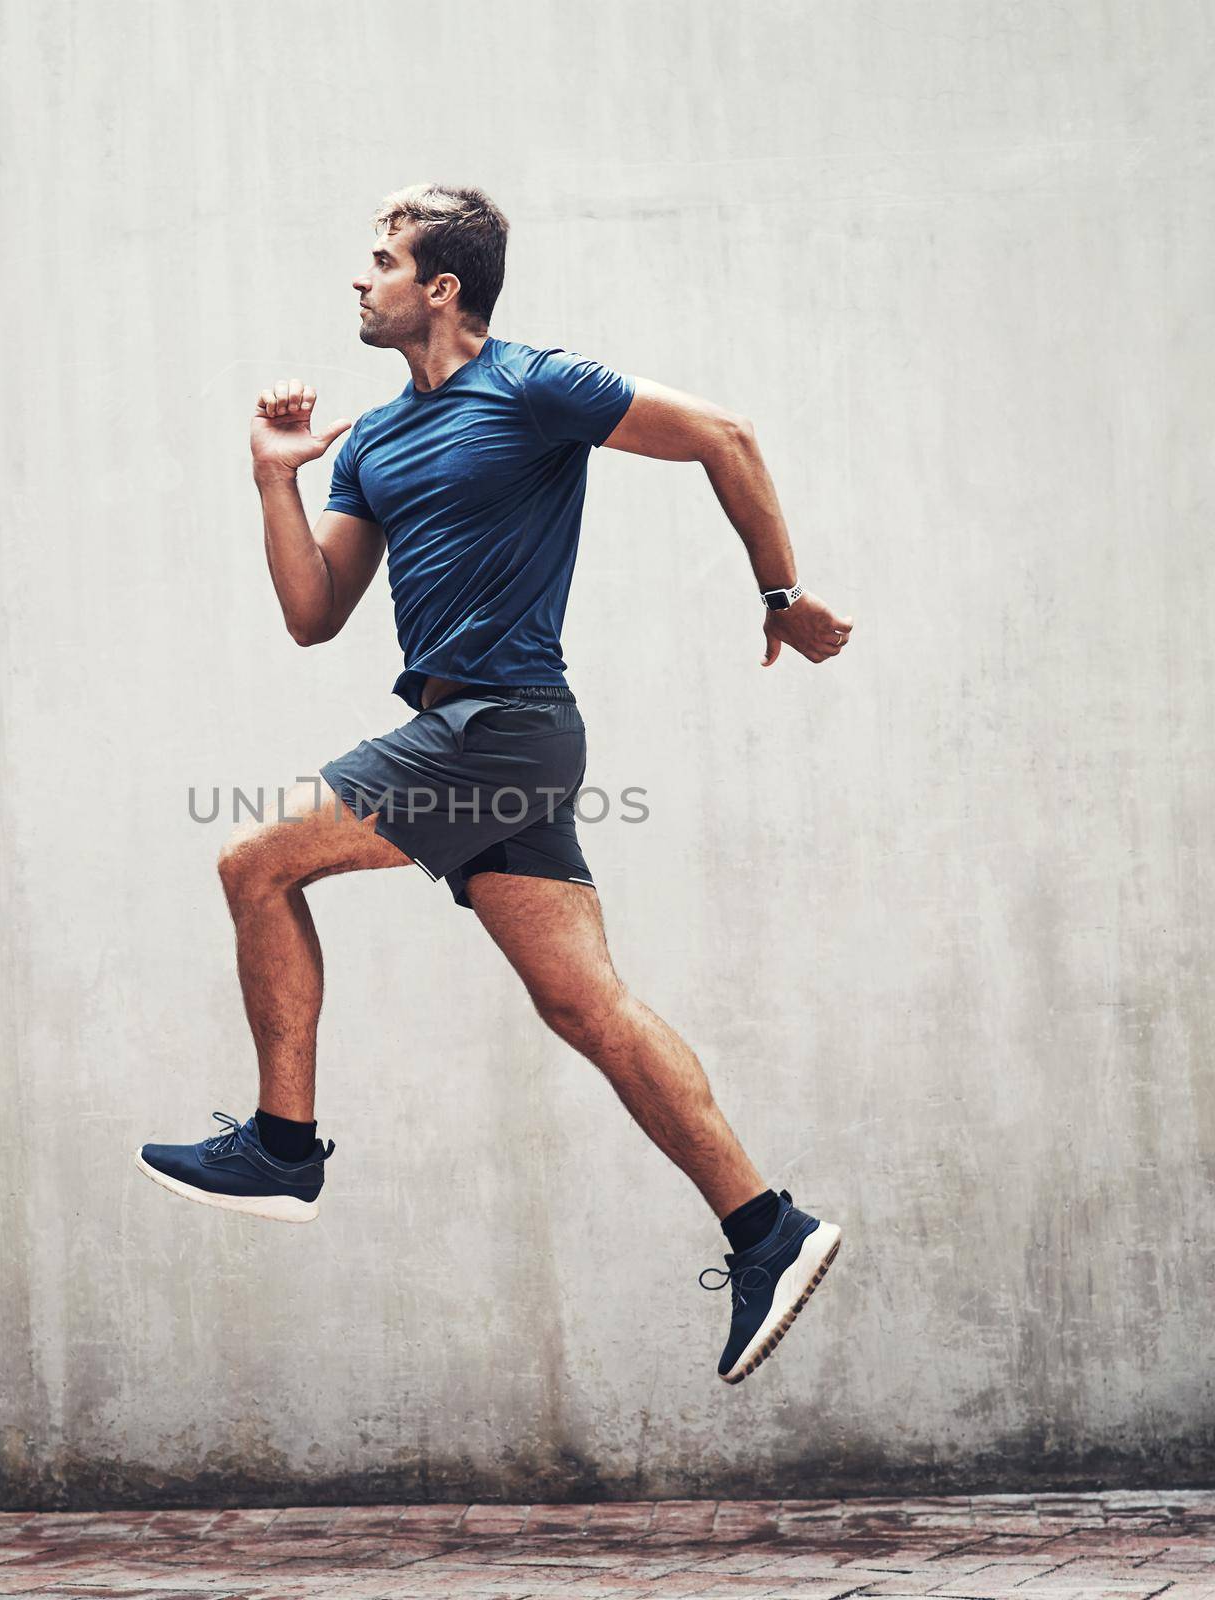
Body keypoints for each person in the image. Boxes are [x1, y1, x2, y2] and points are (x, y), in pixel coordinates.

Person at [136, 183, 854, 1384]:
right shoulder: (369, 441)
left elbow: (723, 436)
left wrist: (782, 595)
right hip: (480, 735)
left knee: (254, 858)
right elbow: (315, 616)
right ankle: (764, 1227)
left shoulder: (533, 385)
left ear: (442, 286)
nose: (358, 280)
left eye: (380, 260)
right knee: (584, 1006)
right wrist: (274, 479)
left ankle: (281, 1145)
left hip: (503, 729)